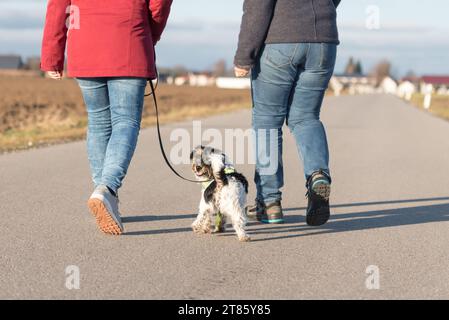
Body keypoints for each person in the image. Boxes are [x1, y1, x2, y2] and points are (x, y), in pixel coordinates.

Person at [41, 0, 173, 235]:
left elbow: (58, 7)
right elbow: (159, 4)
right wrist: (148, 35)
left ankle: (102, 193)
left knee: (99, 123)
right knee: (126, 121)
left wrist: (52, 55)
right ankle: (106, 190)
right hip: (129, 39)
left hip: (85, 43)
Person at [234, 0, 341, 225]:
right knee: (306, 117)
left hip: (281, 40)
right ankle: (317, 175)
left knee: (267, 121)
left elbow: (258, 6)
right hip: (324, 42)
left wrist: (245, 55)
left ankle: (269, 203)